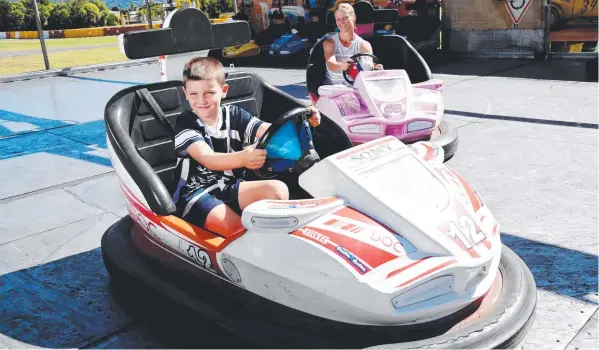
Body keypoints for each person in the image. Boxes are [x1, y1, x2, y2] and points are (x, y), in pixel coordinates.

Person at [173, 57, 321, 235]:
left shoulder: (234, 115)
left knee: (278, 191)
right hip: (196, 192)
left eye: (209, 93)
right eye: (193, 94)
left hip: (229, 185)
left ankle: (276, 240)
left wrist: (305, 119)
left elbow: (269, 130)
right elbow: (208, 159)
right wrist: (243, 158)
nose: (201, 100)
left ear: (223, 90)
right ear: (185, 93)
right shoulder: (187, 123)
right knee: (237, 230)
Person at [323, 3, 383, 86]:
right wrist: (341, 66)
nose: (341, 22)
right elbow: (331, 64)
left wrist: (375, 69)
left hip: (356, 87)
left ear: (353, 18)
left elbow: (368, 68)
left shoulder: (364, 45)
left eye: (345, 18)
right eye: (338, 19)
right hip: (333, 87)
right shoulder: (330, 43)